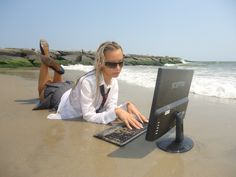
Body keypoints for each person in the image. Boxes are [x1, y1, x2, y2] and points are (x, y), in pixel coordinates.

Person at [36, 39, 148, 129]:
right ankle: (45, 59)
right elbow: (88, 116)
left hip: (73, 90)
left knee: (58, 83)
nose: (118, 68)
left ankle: (57, 69)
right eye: (112, 64)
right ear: (100, 63)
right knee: (43, 90)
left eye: (121, 63)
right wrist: (117, 112)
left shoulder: (114, 81)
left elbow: (110, 107)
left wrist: (125, 106)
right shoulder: (87, 82)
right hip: (61, 97)